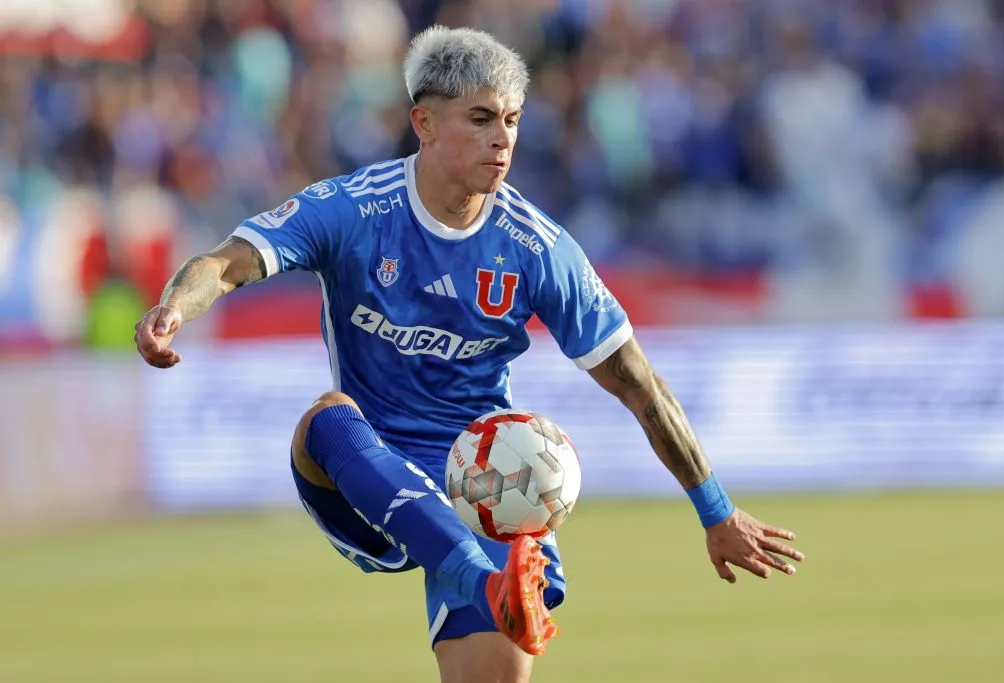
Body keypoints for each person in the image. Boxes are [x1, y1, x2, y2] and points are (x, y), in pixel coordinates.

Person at [134, 25, 804, 683]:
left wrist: (716, 510)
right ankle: (477, 581)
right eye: (481, 117)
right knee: (326, 417)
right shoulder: (353, 210)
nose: (503, 136)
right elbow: (224, 265)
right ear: (423, 122)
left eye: (512, 119)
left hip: (483, 487)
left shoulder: (537, 248)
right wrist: (173, 308)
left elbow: (639, 383)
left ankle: (483, 582)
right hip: (363, 473)